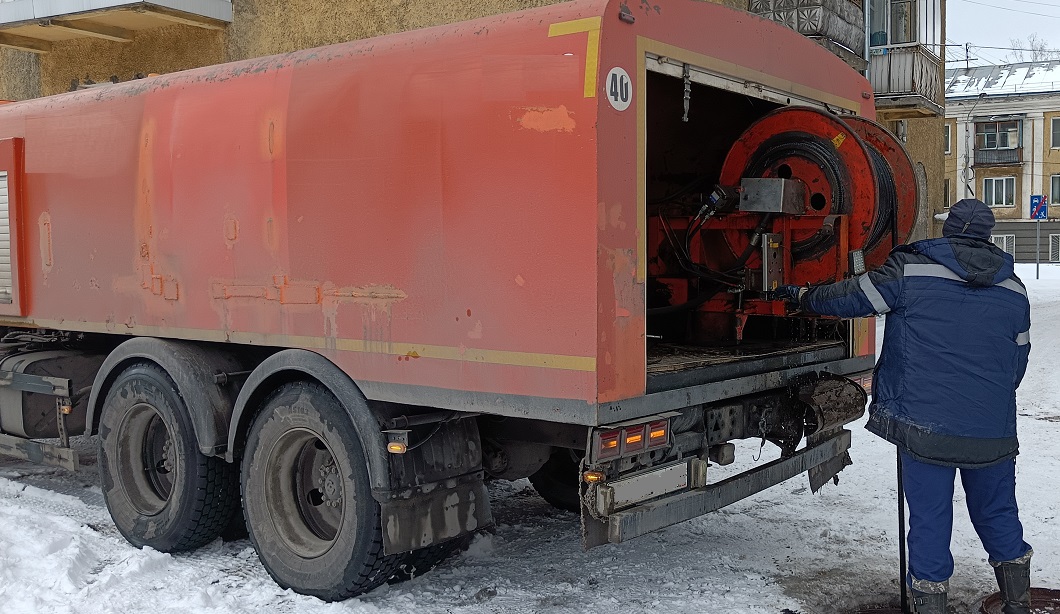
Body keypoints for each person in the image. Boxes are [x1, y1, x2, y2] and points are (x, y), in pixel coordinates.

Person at [772, 198, 1033, 614]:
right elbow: (1017, 362)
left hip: (923, 425)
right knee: (998, 510)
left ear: (949, 232)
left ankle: (930, 603)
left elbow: (851, 297)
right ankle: (1017, 602)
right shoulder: (1013, 288)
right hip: (992, 430)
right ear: (986, 235)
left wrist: (804, 297)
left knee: (929, 517)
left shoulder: (911, 271)